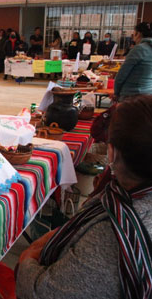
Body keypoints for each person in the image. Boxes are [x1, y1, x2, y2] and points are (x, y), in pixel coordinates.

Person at [16, 94, 152, 299]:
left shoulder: (110, 235)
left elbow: (40, 292)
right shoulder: (124, 199)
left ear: (112, 152)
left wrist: (28, 258)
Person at [114, 22, 152, 100]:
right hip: (148, 94)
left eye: (133, 34)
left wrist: (116, 92)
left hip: (132, 94)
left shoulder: (139, 49)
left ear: (138, 34)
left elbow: (122, 74)